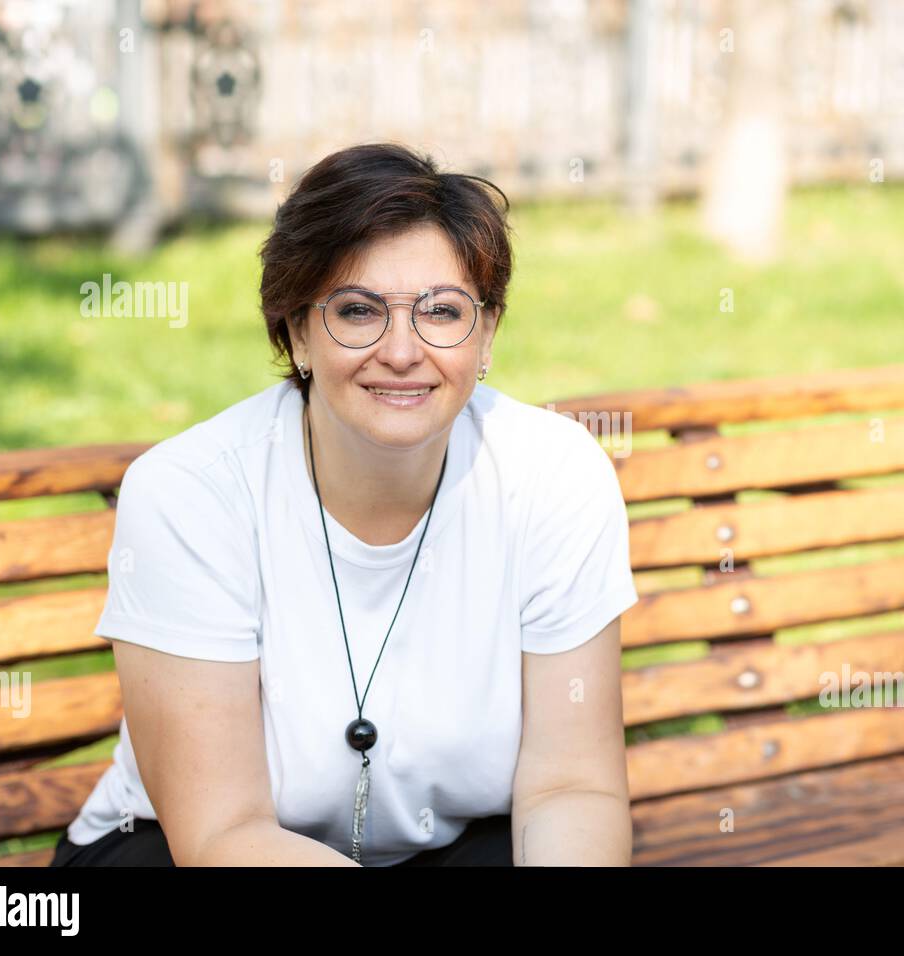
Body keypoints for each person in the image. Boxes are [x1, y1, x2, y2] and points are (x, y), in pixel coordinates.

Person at [49, 142, 640, 867]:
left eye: (443, 312)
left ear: (486, 333)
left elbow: (571, 788)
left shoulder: (553, 474)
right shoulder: (190, 494)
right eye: (358, 312)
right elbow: (223, 832)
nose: (401, 351)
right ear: (296, 330)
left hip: (444, 845)